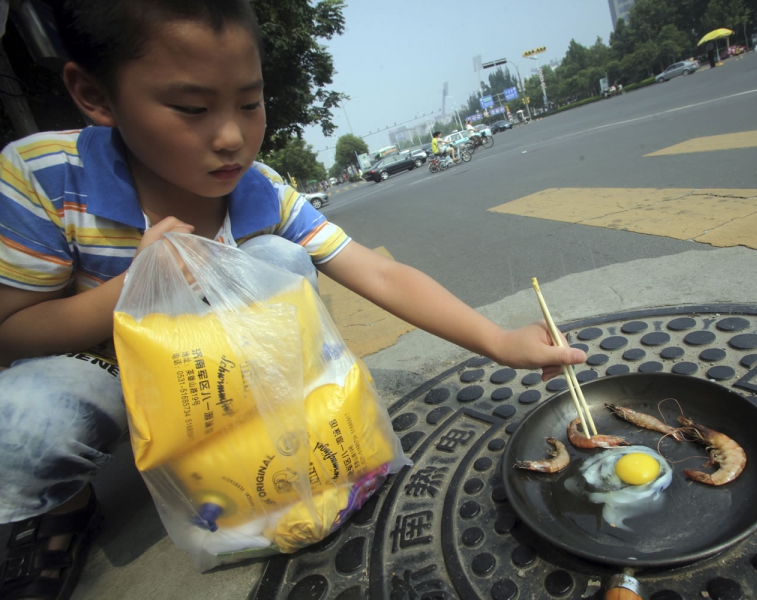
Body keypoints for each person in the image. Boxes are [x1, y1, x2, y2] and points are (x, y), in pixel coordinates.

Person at [0, 1, 586, 598]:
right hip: (108, 374)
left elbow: (379, 275)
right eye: (192, 109)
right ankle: (65, 507)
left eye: (250, 103)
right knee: (27, 419)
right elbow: (12, 329)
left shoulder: (262, 192)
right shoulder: (47, 176)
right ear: (95, 95)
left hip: (219, 392)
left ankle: (277, 449)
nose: (231, 136)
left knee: (280, 260)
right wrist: (136, 288)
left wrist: (500, 341)